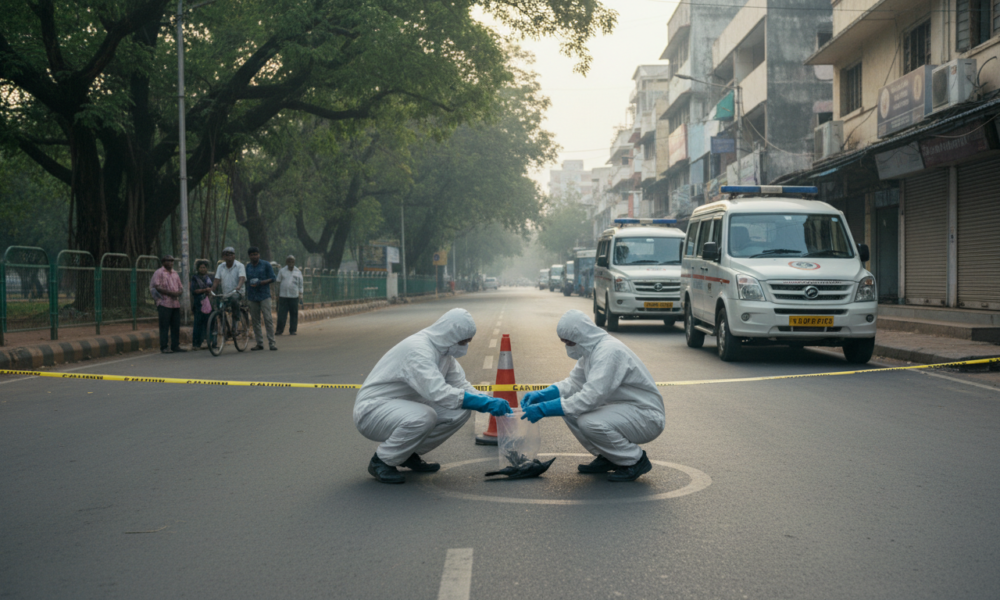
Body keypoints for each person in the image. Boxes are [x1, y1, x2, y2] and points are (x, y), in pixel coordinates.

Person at [354, 308, 513, 484]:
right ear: (451, 335)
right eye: (463, 342)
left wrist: (487, 399)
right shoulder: (418, 350)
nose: (465, 346)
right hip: (372, 410)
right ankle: (382, 461)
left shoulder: (444, 352)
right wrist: (481, 403)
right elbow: (437, 392)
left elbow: (460, 384)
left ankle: (405, 453)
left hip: (403, 405)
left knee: (459, 412)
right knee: (425, 416)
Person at [521, 309, 665, 482]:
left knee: (586, 420)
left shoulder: (609, 352)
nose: (567, 347)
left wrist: (545, 408)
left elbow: (590, 397)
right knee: (567, 409)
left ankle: (634, 460)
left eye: (568, 342)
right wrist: (544, 395)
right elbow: (574, 383)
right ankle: (610, 456)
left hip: (646, 416)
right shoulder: (590, 350)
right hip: (626, 409)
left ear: (580, 336)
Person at [151, 255, 186, 354]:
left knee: (176, 325)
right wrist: (170, 293)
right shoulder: (159, 272)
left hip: (175, 303)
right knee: (164, 326)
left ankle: (175, 345)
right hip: (164, 303)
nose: (170, 263)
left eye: (172, 261)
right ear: (163, 262)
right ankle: (164, 346)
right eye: (168, 261)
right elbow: (157, 286)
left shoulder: (175, 274)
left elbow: (180, 287)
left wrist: (179, 292)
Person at [244, 246, 277, 351]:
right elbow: (245, 280)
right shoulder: (247, 267)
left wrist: (262, 282)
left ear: (259, 255)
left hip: (264, 295)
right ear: (249, 256)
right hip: (252, 296)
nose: (254, 256)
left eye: (256, 254)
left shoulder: (266, 265)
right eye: (252, 255)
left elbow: (273, 278)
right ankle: (259, 343)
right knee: (255, 320)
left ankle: (272, 343)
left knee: (268, 319)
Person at [211, 246, 246, 324]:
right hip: (225, 293)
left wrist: (239, 286)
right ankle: (224, 325)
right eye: (227, 254)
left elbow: (242, 278)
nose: (230, 256)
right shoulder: (220, 267)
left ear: (234, 256)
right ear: (223, 257)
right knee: (217, 306)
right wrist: (212, 289)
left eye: (232, 254)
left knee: (234, 299)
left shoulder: (240, 265)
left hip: (237, 292)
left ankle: (236, 321)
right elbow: (216, 280)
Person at [275, 255, 304, 336]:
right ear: (286, 262)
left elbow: (301, 284)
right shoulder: (282, 271)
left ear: (294, 262)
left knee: (294, 314)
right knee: (281, 314)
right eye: (289, 261)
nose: (290, 263)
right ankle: (279, 330)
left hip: (294, 296)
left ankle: (293, 330)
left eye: (292, 261)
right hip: (283, 296)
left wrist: (301, 294)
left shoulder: (298, 272)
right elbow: (278, 283)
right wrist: (277, 294)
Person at [190, 260, 214, 349]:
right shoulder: (195, 278)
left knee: (209, 323)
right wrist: (205, 290)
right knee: (198, 323)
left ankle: (210, 342)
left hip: (210, 303)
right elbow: (194, 290)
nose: (203, 269)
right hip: (198, 303)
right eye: (201, 267)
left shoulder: (210, 277)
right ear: (198, 268)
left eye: (204, 267)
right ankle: (196, 344)